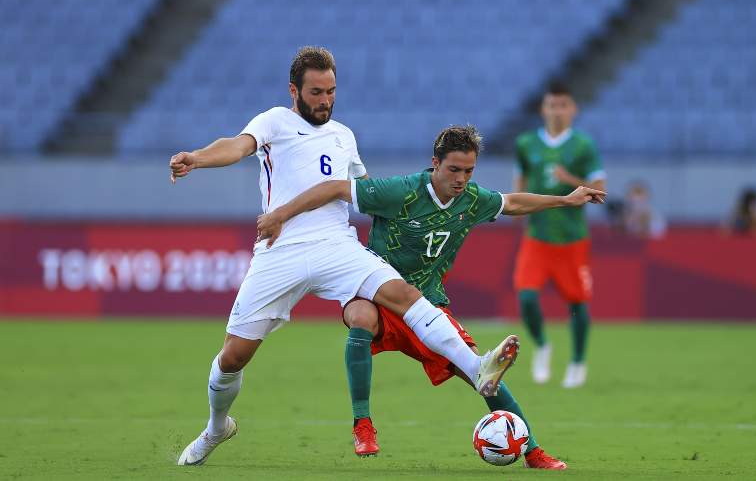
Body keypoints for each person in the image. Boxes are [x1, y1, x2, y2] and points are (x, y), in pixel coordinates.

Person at [169, 47, 520, 466]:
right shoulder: (274, 122)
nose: (325, 100)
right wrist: (198, 158)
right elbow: (236, 146)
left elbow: (366, 190)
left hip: (337, 245)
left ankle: (476, 365)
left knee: (404, 295)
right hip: (281, 251)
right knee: (233, 357)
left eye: (332, 91)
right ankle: (216, 428)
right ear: (294, 90)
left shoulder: (344, 135)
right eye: (316, 92)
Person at [256, 125, 605, 469]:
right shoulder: (400, 192)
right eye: (454, 169)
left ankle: (531, 451)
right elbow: (334, 187)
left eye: (468, 171)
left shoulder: (471, 200)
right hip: (378, 293)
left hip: (427, 307)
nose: (461, 179)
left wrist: (565, 199)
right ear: (435, 162)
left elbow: (511, 201)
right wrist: (280, 215)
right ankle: (363, 425)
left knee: (481, 374)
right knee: (359, 316)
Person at [512, 83, 607, 388]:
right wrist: (518, 209)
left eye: (563, 105)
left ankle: (577, 362)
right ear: (543, 109)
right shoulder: (527, 143)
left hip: (572, 238)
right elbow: (520, 182)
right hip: (537, 235)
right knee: (526, 296)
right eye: (552, 105)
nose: (557, 111)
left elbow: (600, 189)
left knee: (578, 302)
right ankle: (542, 345)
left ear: (573, 109)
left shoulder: (583, 145)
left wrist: (570, 180)